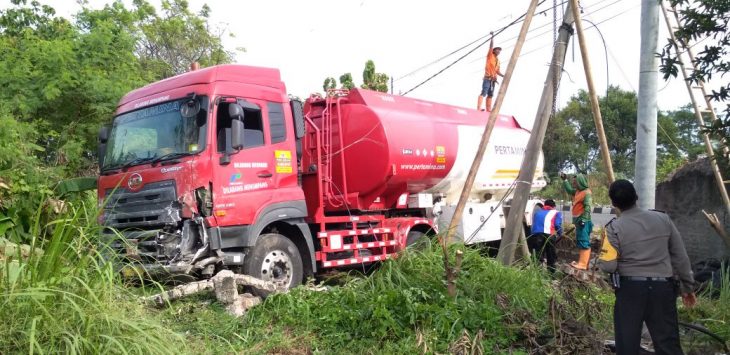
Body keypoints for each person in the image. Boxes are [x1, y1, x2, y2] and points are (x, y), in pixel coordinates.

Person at [598, 179, 696, 355]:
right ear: (636, 196)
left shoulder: (613, 228)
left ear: (613, 203)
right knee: (668, 344)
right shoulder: (663, 219)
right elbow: (680, 257)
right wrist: (688, 287)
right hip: (663, 289)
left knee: (627, 345)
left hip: (630, 291)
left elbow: (608, 265)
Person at [560, 172, 593, 269]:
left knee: (583, 241)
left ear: (580, 182)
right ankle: (582, 262)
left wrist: (583, 219)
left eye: (575, 182)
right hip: (579, 220)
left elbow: (588, 207)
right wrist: (565, 180)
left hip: (584, 221)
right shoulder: (578, 191)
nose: (574, 184)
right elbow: (570, 190)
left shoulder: (587, 193)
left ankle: (582, 264)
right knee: (581, 240)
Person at [529, 199, 563, 273]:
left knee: (537, 255)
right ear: (554, 206)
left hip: (536, 235)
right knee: (551, 255)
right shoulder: (557, 213)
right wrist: (560, 233)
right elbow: (557, 225)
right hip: (549, 235)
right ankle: (551, 273)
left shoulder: (537, 213)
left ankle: (535, 273)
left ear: (544, 205)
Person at [476, 33, 504, 112]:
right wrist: (492, 37)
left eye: (499, 50)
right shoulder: (490, 55)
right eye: (497, 49)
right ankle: (478, 108)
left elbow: (497, 71)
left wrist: (504, 76)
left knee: (490, 94)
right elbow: (491, 46)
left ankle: (488, 110)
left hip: (493, 81)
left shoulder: (498, 61)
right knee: (484, 92)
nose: (498, 51)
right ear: (494, 51)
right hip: (487, 78)